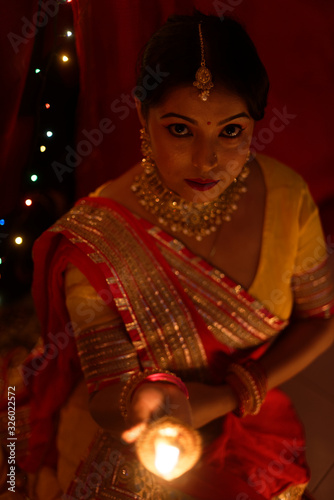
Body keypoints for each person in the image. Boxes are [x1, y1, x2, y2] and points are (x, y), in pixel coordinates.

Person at [2, 11, 334, 500]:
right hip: (139, 433)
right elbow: (106, 392)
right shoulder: (98, 237)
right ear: (141, 116)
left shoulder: (286, 197)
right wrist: (144, 399)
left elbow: (320, 317)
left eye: (230, 131)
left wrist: (230, 395)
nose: (206, 161)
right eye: (180, 130)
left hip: (250, 415)